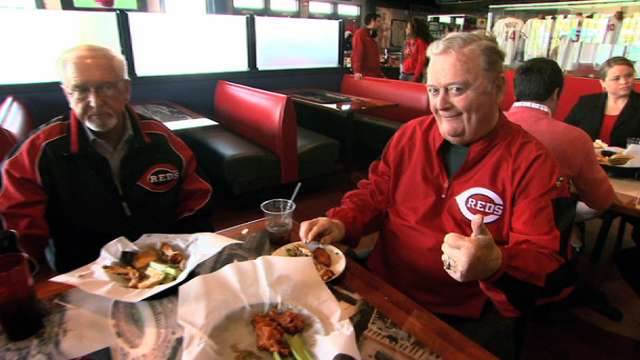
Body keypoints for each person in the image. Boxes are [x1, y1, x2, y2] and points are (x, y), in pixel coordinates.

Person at [300, 32, 568, 359]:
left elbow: (542, 260)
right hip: (384, 286)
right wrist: (341, 222)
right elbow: (375, 192)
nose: (440, 104)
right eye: (433, 90)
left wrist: (495, 261)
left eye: (457, 89)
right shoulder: (411, 135)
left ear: (498, 88)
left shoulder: (531, 162)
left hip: (461, 312)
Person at [0, 45, 214, 273]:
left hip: (165, 267)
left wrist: (188, 255)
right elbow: (18, 230)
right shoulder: (38, 151)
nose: (95, 101)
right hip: (84, 273)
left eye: (106, 87)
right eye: (81, 90)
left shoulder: (162, 139)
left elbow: (197, 201)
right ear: (67, 94)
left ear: (126, 89)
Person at [506, 58, 615, 222]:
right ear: (556, 93)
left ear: (515, 91)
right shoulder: (575, 138)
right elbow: (600, 199)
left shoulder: (483, 125)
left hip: (478, 221)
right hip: (540, 227)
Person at [565, 56, 640, 148]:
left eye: (629, 76)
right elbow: (567, 132)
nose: (624, 82)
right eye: (616, 78)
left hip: (630, 161)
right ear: (603, 82)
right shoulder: (587, 102)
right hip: (587, 158)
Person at [351, 13, 383, 80]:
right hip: (364, 74)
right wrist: (357, 71)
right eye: (378, 21)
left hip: (374, 74)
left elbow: (374, 56)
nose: (379, 24)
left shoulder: (372, 35)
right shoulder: (360, 34)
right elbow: (357, 53)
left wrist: (379, 73)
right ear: (372, 21)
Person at [399, 17, 431, 83]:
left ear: (413, 29)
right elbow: (403, 58)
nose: (406, 29)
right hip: (404, 73)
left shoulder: (420, 43)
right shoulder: (407, 42)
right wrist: (402, 71)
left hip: (413, 75)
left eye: (408, 27)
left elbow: (421, 61)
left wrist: (416, 77)